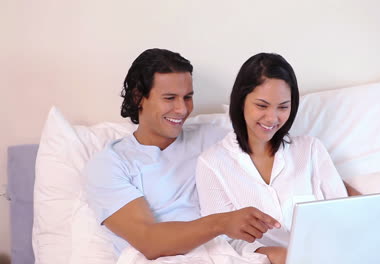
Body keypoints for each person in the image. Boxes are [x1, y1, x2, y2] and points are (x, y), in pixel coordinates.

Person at [84, 48, 281, 260]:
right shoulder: (110, 164)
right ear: (138, 97)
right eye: (170, 98)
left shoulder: (214, 138)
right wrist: (222, 223)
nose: (182, 109)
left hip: (227, 253)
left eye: (187, 97)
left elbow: (272, 158)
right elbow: (148, 241)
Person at [196, 53, 349, 264]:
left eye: (283, 107)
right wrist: (271, 253)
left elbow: (344, 216)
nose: (272, 118)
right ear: (241, 102)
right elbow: (221, 242)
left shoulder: (311, 150)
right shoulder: (212, 163)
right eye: (261, 105)